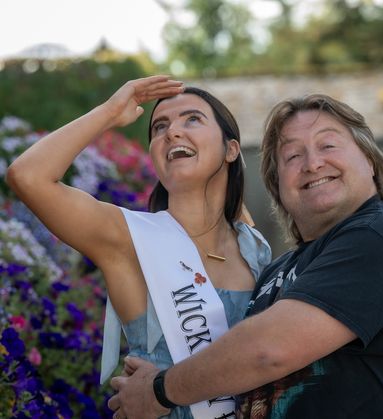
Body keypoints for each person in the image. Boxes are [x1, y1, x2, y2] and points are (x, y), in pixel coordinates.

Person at [108, 93, 383, 419]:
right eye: (292, 156)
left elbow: (266, 351)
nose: (313, 163)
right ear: (278, 186)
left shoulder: (381, 237)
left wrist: (158, 391)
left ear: (371, 161)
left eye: (328, 145)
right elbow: (232, 364)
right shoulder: (274, 269)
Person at [6, 76, 271, 419]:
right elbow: (27, 176)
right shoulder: (127, 238)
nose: (172, 132)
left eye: (192, 119)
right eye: (160, 127)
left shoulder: (254, 247)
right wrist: (110, 111)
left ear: (232, 149)